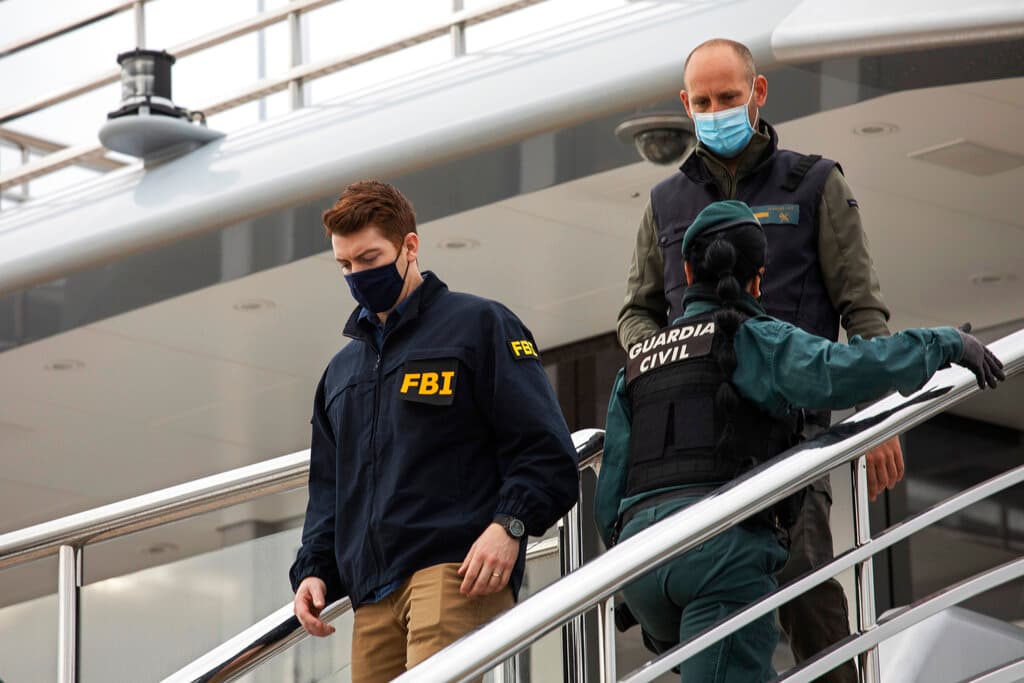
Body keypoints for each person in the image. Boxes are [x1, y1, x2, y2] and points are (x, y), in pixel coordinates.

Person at [597, 200, 1004, 682]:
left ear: (685, 272)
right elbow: (849, 370)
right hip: (721, 561)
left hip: (642, 572)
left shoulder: (639, 363)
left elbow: (607, 501)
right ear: (759, 277)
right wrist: (945, 344)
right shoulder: (755, 339)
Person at [617, 38, 904, 679]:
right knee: (697, 606)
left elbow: (863, 311)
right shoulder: (663, 203)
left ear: (758, 94)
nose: (715, 109)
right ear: (684, 104)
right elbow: (635, 311)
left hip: (787, 437)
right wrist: (666, 360)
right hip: (691, 449)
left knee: (802, 585)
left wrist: (881, 415)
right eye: (703, 101)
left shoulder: (816, 184)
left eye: (728, 97)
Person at [289, 180, 580, 682]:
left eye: (369, 257)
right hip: (372, 595)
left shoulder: (480, 326)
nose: (357, 275)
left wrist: (510, 525)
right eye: (345, 265)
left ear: (410, 246)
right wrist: (313, 569)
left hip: (455, 571)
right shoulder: (340, 374)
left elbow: (546, 450)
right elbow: (329, 494)